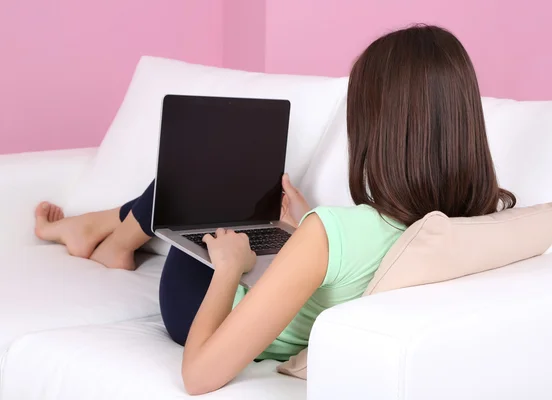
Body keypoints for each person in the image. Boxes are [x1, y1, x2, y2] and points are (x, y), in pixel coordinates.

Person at [33, 25, 515, 395]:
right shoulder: (473, 221)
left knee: (202, 170)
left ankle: (111, 239)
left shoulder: (332, 233)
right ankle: (105, 229)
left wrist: (230, 268)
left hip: (203, 310)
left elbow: (199, 377)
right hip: (284, 275)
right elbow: (348, 260)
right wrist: (301, 227)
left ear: (376, 128)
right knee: (230, 185)